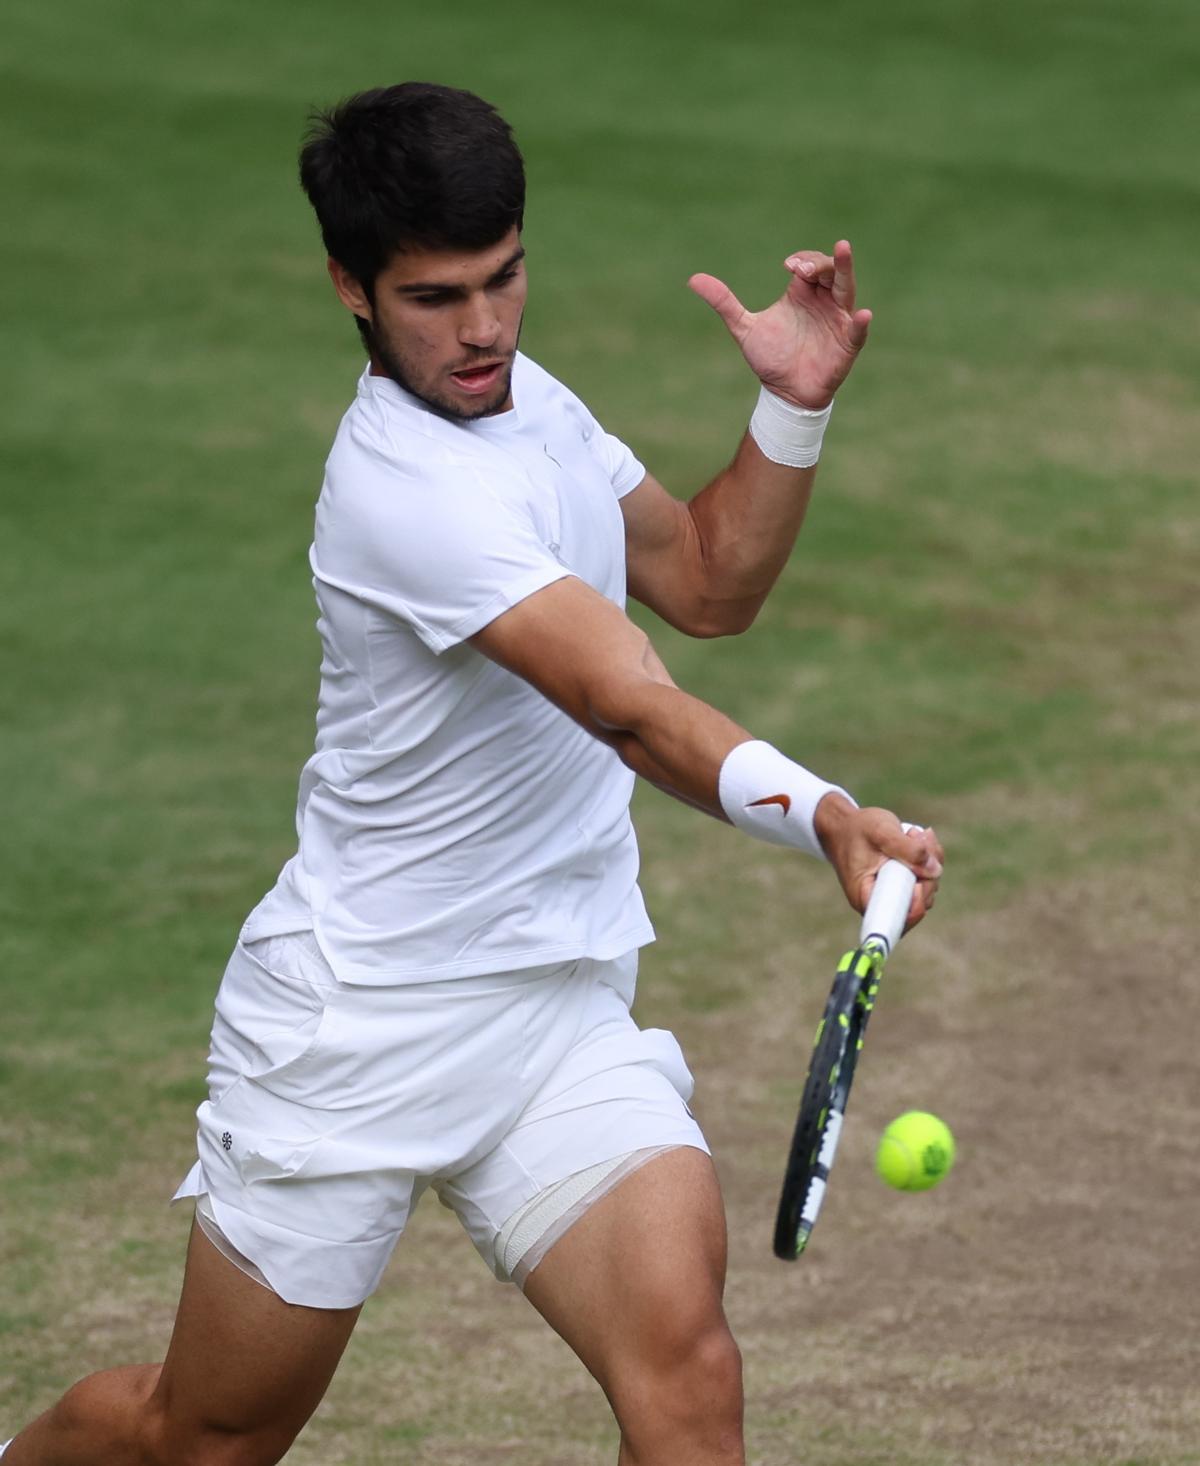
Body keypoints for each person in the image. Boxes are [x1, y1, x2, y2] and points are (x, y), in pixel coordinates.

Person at [3, 82, 942, 1466]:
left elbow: (702, 578)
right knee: (199, 1438)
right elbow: (623, 703)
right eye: (437, 297)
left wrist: (789, 410)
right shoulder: (402, 488)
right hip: (356, 1027)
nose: (485, 328)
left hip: (552, 1010)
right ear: (350, 288)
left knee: (687, 1380)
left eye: (504, 280)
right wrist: (827, 820)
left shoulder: (532, 404)